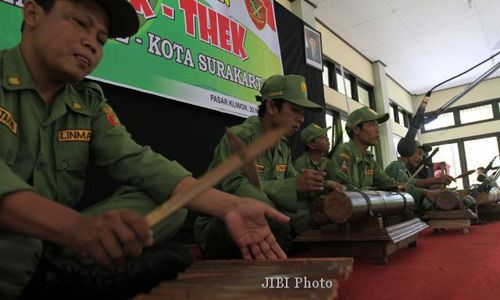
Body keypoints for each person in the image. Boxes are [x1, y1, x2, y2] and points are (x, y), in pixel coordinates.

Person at [0, 0, 289, 298]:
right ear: (32, 12)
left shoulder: (86, 101)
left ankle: (60, 273)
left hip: (50, 248)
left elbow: (137, 161)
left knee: (169, 201)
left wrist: (231, 207)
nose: (92, 45)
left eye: (102, 40)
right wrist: (76, 228)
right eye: (80, 23)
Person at [195, 74, 344, 258]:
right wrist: (292, 187)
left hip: (265, 216)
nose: (301, 119)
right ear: (272, 106)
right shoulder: (239, 138)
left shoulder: (282, 146)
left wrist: (320, 186)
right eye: (295, 110)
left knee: (318, 214)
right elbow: (235, 187)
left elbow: (293, 184)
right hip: (221, 222)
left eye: (302, 113)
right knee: (272, 218)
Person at [326, 107, 399, 190]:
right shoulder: (343, 153)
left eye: (377, 125)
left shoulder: (368, 158)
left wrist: (402, 186)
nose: (377, 130)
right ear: (356, 129)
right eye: (371, 125)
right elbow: (345, 189)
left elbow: (386, 183)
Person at [385, 142, 453, 214]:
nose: (421, 159)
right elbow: (408, 186)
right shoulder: (395, 167)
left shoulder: (405, 169)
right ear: (408, 151)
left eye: (422, 156)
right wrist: (436, 180)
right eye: (419, 154)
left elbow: (413, 184)